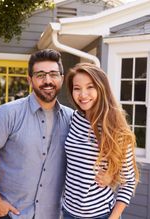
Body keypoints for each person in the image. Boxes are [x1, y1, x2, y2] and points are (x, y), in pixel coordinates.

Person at [0, 49, 73, 219]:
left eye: (53, 74)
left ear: (61, 78)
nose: (47, 80)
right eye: (40, 75)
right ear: (29, 80)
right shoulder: (8, 113)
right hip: (10, 214)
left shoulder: (71, 119)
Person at [62, 63, 140, 219]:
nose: (83, 94)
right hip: (68, 211)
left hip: (100, 214)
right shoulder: (74, 118)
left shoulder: (116, 128)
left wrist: (114, 216)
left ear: (101, 88)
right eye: (77, 88)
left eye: (90, 87)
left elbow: (129, 181)